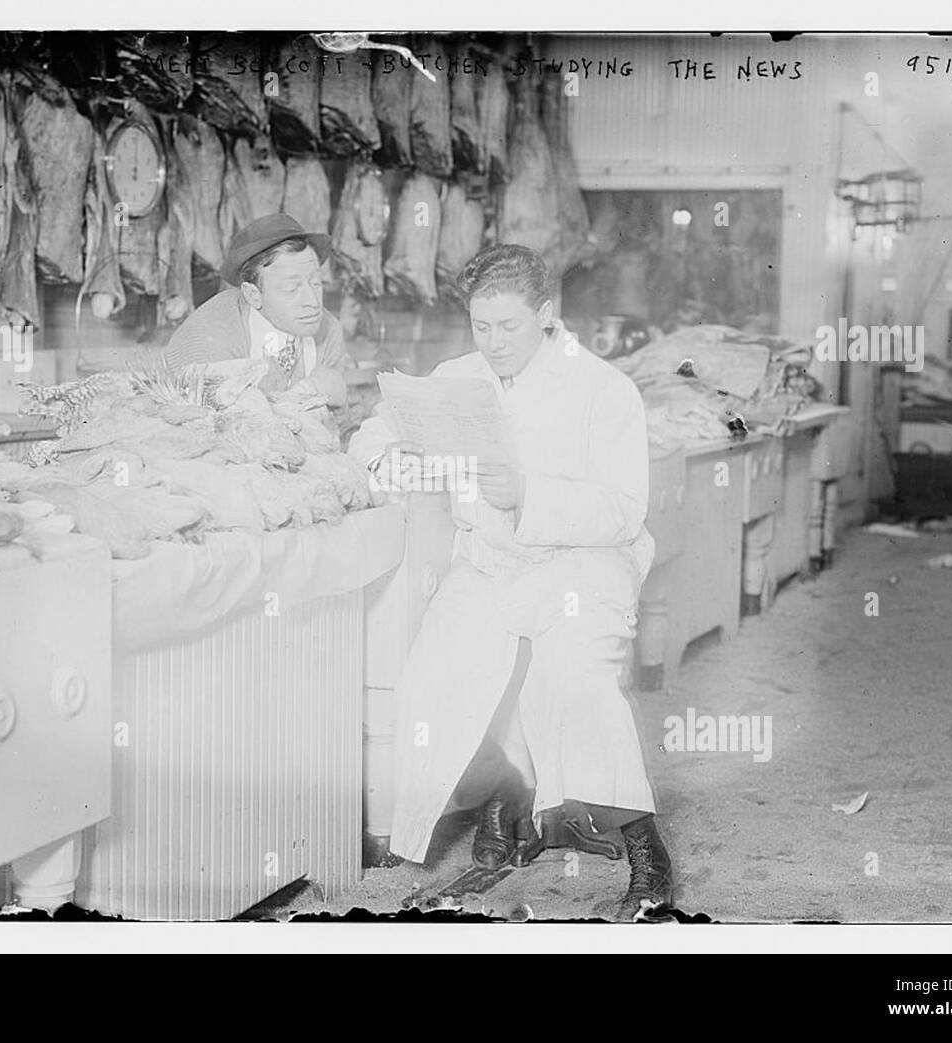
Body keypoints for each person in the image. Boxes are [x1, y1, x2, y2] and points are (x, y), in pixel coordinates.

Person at [348, 243, 674, 921]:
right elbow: (373, 431)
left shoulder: (605, 390)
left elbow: (623, 510)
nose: (493, 344)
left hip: (580, 563)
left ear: (547, 316)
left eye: (509, 328)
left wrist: (528, 493)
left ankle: (646, 848)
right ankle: (511, 790)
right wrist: (393, 456)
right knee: (431, 683)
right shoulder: (460, 375)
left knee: (575, 681)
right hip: (491, 563)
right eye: (481, 326)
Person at [163, 213, 349, 407]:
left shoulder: (328, 330)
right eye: (292, 289)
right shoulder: (211, 336)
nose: (312, 302)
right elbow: (204, 426)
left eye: (316, 283)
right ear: (253, 295)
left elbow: (334, 418)